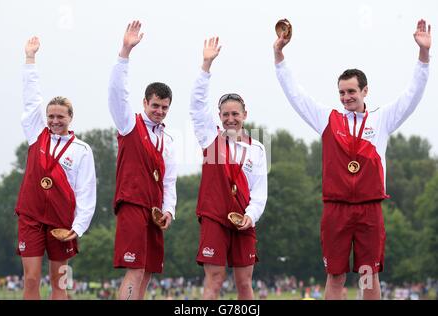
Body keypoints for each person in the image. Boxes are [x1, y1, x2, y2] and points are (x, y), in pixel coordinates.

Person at [273, 19, 431, 299]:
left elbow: (412, 96)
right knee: (335, 275)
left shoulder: (381, 119)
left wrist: (423, 56)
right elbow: (295, 94)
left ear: (365, 91)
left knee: (369, 276)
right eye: (342, 92)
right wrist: (279, 56)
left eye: (351, 92)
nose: (346, 97)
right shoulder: (327, 119)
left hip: (370, 208)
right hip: (336, 208)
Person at [15, 37, 97, 300]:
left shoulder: (81, 150)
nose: (54, 121)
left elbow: (86, 191)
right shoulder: (36, 135)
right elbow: (31, 99)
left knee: (60, 284)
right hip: (31, 217)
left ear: (70, 118)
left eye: (60, 116)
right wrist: (30, 59)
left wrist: (79, 226)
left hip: (61, 222)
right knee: (30, 279)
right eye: (51, 116)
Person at [190, 37, 268, 300]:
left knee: (244, 283)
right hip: (214, 217)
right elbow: (196, 107)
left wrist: (251, 216)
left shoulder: (257, 148)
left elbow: (259, 192)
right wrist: (206, 66)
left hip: (244, 220)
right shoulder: (211, 140)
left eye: (235, 114)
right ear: (219, 116)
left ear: (245, 114)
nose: (231, 119)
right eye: (225, 114)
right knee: (214, 280)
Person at [108, 20, 177, 300]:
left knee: (147, 271)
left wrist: (169, 211)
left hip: (154, 212)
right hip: (133, 204)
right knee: (135, 269)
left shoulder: (169, 140)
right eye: (155, 105)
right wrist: (125, 52)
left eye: (164, 107)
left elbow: (169, 181)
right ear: (144, 103)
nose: (159, 111)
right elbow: (116, 94)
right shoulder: (128, 124)